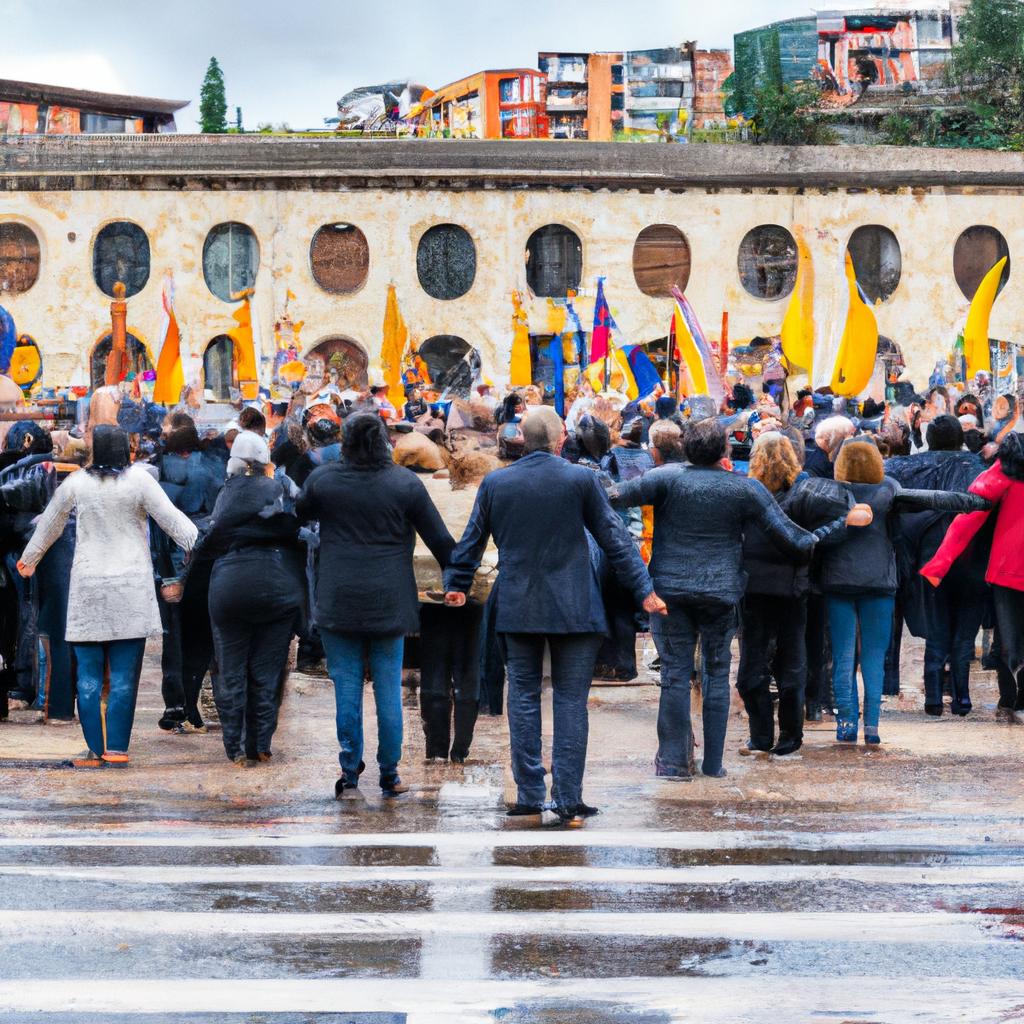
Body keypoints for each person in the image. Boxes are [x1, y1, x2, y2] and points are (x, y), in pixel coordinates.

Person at [444, 406, 661, 824]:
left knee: (522, 698)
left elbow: (471, 540)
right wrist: (645, 591)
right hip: (574, 603)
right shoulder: (580, 479)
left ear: (522, 438)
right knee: (570, 701)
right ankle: (567, 798)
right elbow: (614, 539)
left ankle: (529, 793)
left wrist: (457, 583)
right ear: (561, 439)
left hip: (519, 603)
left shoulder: (496, 482)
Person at [612, 418, 837, 780]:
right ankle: (713, 764)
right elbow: (793, 540)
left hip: (670, 590)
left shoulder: (665, 478)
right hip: (720, 592)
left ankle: (672, 763)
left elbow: (614, 496)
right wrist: (832, 530)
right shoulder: (743, 489)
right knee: (716, 673)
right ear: (726, 451)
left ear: (686, 448)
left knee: (674, 675)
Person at [17, 426, 197, 766]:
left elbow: (50, 524)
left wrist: (29, 560)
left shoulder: (77, 484)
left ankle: (95, 751)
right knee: (125, 677)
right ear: (125, 451)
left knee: (87, 675)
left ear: (94, 451)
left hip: (88, 588)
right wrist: (198, 545)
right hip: (131, 589)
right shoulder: (140, 481)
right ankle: (117, 750)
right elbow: (174, 521)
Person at [297, 414, 454, 800]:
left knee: (346, 688)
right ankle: (390, 772)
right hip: (390, 600)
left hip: (338, 599)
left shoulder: (325, 481)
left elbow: (299, 513)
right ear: (384, 441)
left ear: (345, 441)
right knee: (387, 689)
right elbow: (440, 540)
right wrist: (460, 578)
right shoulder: (405, 484)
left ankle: (350, 770)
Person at [819, 438, 989, 744]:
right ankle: (871, 726)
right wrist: (976, 502)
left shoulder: (830, 493)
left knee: (843, 655)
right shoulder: (888, 489)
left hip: (838, 582)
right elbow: (936, 499)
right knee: (873, 656)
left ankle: (846, 723)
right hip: (879, 583)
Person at [738, 433, 867, 756]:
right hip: (794, 589)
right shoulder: (806, 492)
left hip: (753, 590)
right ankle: (789, 736)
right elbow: (841, 523)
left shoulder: (747, 494)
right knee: (792, 663)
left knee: (753, 667)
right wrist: (816, 539)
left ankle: (761, 735)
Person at [195, 432, 306, 765]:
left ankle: (236, 748)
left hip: (231, 585)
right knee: (267, 670)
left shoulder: (228, 493)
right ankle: (261, 743)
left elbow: (210, 540)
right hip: (278, 584)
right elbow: (300, 533)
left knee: (231, 669)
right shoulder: (283, 489)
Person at [885, 415, 986, 716]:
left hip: (929, 556)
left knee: (937, 624)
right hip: (971, 556)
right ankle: (961, 698)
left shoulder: (905, 468)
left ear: (929, 439)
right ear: (959, 438)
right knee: (966, 629)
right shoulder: (978, 467)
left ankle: (932, 697)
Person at [922, 432, 1024, 723]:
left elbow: (967, 519)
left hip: (1009, 568)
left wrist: (938, 565)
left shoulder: (1006, 470)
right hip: (1008, 569)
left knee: (1009, 639)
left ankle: (1012, 699)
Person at [153, 416, 224, 733]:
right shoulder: (208, 470)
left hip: (166, 566)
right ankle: (194, 702)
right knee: (201, 636)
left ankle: (174, 703)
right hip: (199, 562)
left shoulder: (156, 472)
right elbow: (215, 517)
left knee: (173, 636)